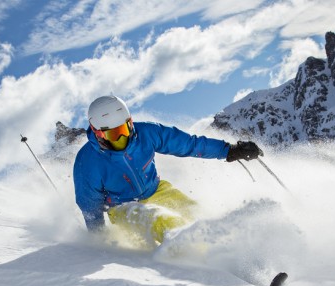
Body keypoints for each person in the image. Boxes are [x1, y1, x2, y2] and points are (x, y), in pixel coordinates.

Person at [73, 95, 262, 244]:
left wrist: (228, 150)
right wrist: (98, 243)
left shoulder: (146, 133)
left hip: (157, 190)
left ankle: (239, 255)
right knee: (166, 223)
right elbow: (90, 207)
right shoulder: (88, 162)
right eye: (113, 134)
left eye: (124, 130)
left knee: (198, 214)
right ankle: (208, 264)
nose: (122, 139)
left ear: (130, 122)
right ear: (98, 133)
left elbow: (188, 144)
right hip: (122, 208)